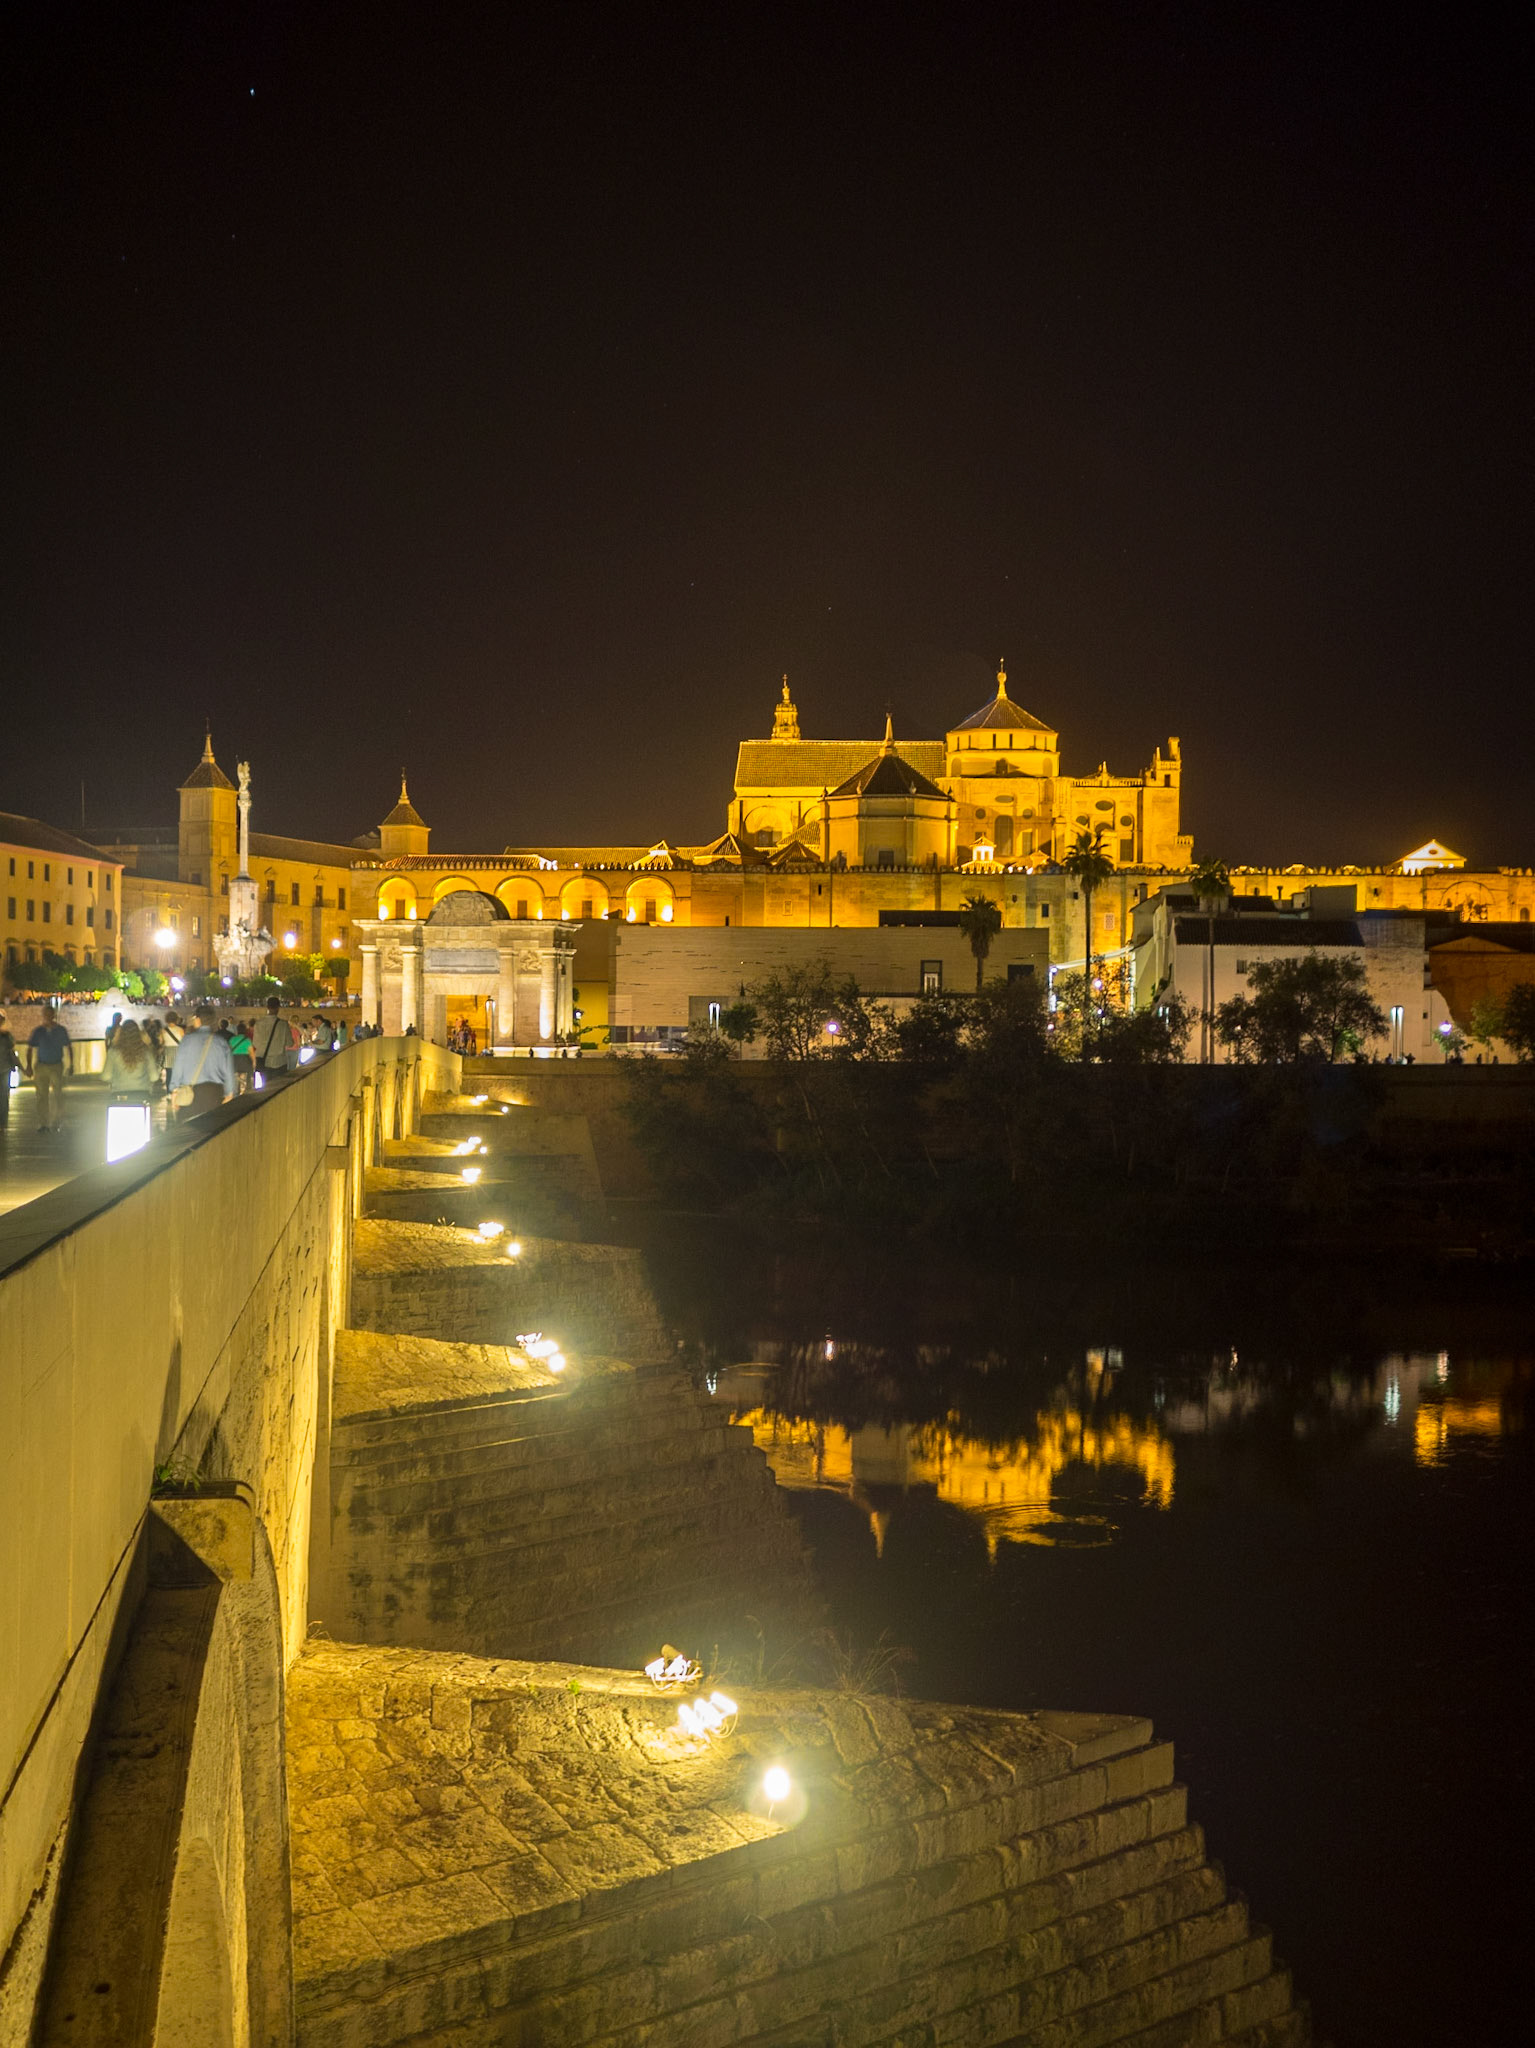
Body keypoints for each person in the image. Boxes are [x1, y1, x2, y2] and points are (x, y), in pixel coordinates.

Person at [168, 1004, 237, 1119]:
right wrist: (229, 1094)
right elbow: (229, 1072)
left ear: (198, 1019)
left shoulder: (187, 1040)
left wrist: (174, 1091)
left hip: (190, 1095)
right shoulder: (222, 1043)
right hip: (214, 1094)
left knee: (189, 1128)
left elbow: (178, 1068)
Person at [28, 1002, 73, 1132]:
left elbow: (68, 1047)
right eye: (46, 1014)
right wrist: (29, 1065)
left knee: (58, 1094)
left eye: (50, 1014)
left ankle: (58, 1120)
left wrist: (71, 1064)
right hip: (41, 1065)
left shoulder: (60, 1030)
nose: (48, 1017)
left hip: (56, 1065)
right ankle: (44, 1123)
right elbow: (30, 1048)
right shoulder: (38, 1031)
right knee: (41, 1096)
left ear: (53, 1015)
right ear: (43, 1016)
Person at [104, 1018, 160, 1100]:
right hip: (142, 1095)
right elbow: (154, 1077)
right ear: (138, 1033)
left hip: (119, 1095)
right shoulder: (146, 1051)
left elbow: (106, 1076)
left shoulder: (113, 1051)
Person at [253, 997, 295, 1082]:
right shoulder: (283, 1024)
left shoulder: (258, 1023)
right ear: (278, 1008)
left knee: (266, 1086)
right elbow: (290, 1043)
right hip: (279, 1062)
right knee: (280, 1086)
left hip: (264, 1062)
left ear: (267, 1007)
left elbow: (255, 1043)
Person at [0, 1010, 16, 1134]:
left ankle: (3, 1123)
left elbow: (11, 1050)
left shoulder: (6, 1035)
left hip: (4, 1070)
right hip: (5, 1069)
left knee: (4, 1097)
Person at [229, 1018, 254, 1090]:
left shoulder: (232, 1039)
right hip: (245, 1062)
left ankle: (235, 1090)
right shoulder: (247, 1040)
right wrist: (254, 1062)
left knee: (235, 1079)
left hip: (235, 1062)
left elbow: (228, 1052)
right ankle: (245, 1090)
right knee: (245, 1078)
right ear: (245, 1030)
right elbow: (251, 1053)